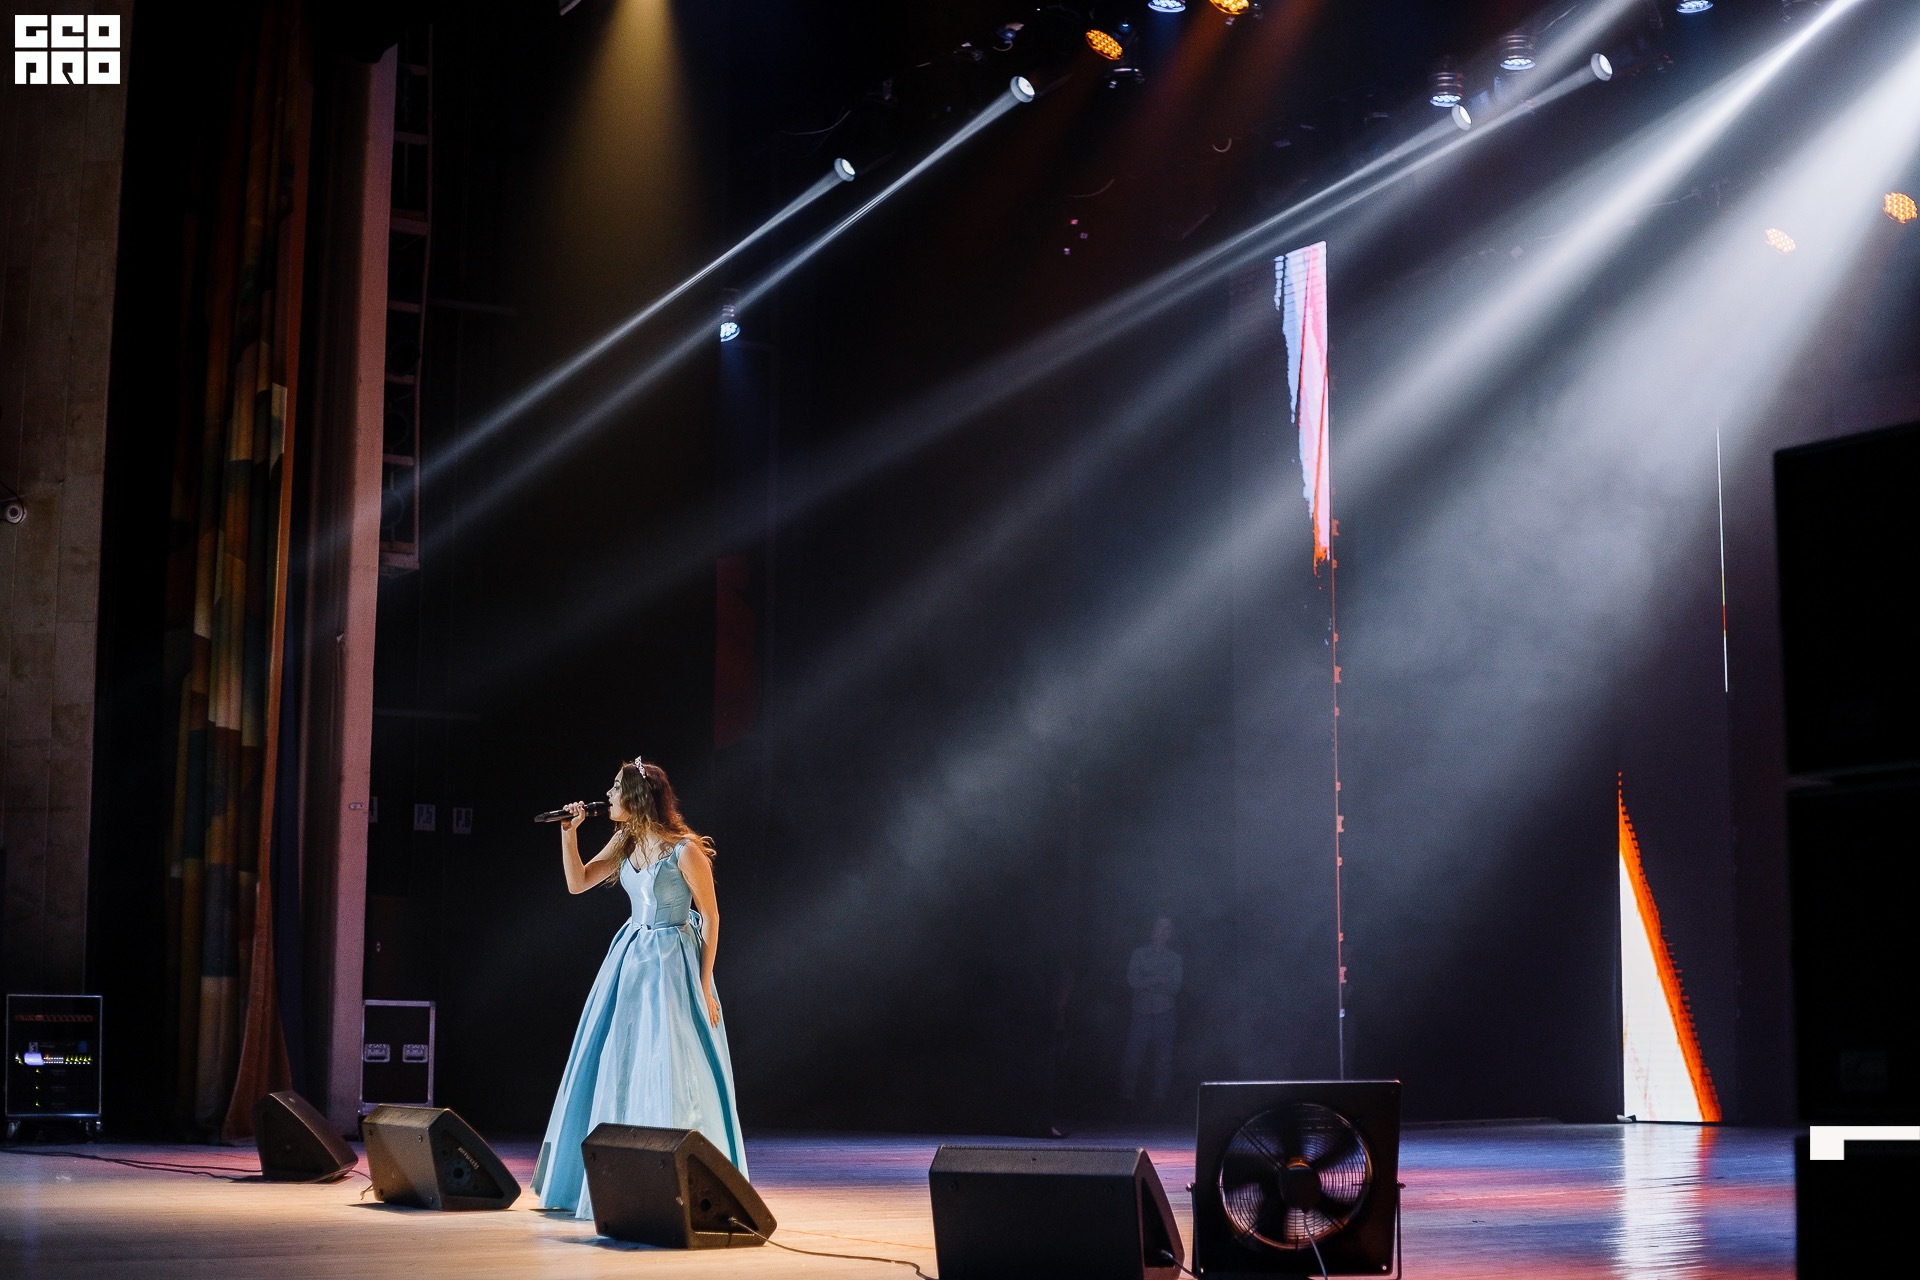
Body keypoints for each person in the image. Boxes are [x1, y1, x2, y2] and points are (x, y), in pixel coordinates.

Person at [531, 757, 747, 1220]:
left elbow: (710, 916)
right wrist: (568, 833)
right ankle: (613, 1179)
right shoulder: (625, 841)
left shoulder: (684, 850)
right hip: (632, 959)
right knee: (621, 1057)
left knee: (669, 1060)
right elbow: (578, 883)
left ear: (637, 797)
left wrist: (705, 983)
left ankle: (680, 1179)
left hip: (672, 960)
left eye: (615, 788)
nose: (608, 795)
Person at [1120, 916, 1182, 1107]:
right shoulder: (1139, 954)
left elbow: (1175, 987)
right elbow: (1133, 980)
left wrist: (1147, 981)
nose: (1163, 932)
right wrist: (1157, 979)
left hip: (1165, 1012)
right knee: (1133, 1055)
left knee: (1164, 1058)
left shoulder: (1175, 958)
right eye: (1160, 927)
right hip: (1141, 1012)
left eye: (1167, 928)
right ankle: (1127, 1096)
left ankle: (1160, 1099)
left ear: (1171, 933)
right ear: (1152, 930)